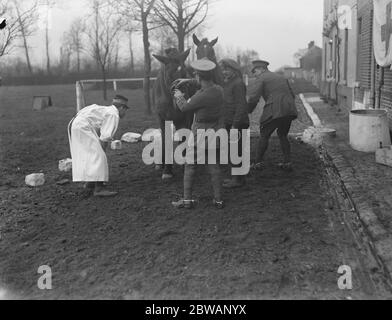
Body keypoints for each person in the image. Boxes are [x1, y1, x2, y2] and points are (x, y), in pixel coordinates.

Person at [171, 59, 225, 209]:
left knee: (190, 166)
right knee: (213, 167)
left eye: (196, 76)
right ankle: (218, 200)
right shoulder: (218, 90)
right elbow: (202, 85)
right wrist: (190, 80)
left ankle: (187, 200)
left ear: (199, 77)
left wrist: (178, 95)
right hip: (215, 133)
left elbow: (184, 108)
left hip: (199, 135)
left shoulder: (200, 96)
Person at [68, 95, 129, 197]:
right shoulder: (113, 114)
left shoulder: (105, 110)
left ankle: (90, 183)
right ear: (121, 108)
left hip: (75, 124)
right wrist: (102, 153)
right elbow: (105, 137)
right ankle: (99, 189)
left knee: (90, 155)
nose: (125, 113)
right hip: (82, 126)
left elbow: (98, 130)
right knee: (99, 156)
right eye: (125, 110)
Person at [248, 60, 298, 172]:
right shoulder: (281, 77)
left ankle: (257, 162)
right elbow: (292, 95)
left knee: (264, 134)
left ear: (260, 69)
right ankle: (287, 162)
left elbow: (254, 97)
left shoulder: (261, 78)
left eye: (254, 71)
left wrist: (248, 110)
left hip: (275, 109)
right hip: (289, 109)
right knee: (283, 134)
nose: (254, 74)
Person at [219, 58, 250, 188]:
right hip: (229, 122)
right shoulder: (229, 83)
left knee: (235, 151)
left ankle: (237, 180)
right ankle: (237, 178)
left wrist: (235, 125)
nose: (224, 72)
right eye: (223, 69)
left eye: (227, 69)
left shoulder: (237, 84)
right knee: (234, 150)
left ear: (234, 70)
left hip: (236, 123)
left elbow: (241, 106)